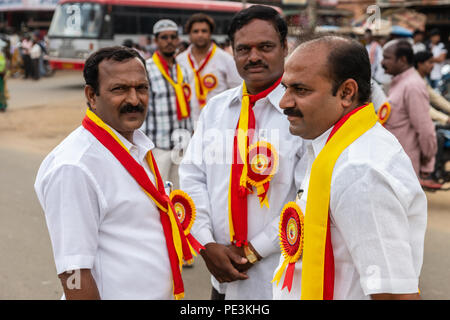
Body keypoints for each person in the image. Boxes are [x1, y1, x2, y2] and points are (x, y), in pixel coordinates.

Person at [273, 34, 426, 300]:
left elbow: (394, 295)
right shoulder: (340, 147)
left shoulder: (360, 171)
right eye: (285, 88)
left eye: (300, 90)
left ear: (346, 93)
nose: (284, 102)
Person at [34, 46, 194, 300]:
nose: (134, 99)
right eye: (119, 89)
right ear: (92, 96)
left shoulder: (136, 145)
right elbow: (73, 273)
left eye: (141, 88)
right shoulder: (75, 167)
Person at [179, 5, 304, 300]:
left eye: (265, 47)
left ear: (285, 48)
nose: (254, 57)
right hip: (220, 276)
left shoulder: (302, 113)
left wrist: (255, 249)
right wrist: (205, 244)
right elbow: (193, 176)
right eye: (243, 49)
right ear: (232, 52)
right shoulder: (216, 110)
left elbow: (305, 197)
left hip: (277, 279)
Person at [141, 19, 193, 189]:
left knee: (180, 196)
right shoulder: (146, 69)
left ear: (178, 40)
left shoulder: (183, 70)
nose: (169, 41)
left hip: (181, 145)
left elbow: (188, 104)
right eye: (164, 37)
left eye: (173, 37)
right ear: (156, 41)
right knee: (158, 194)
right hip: (158, 146)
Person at [381, 40, 439, 189]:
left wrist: (427, 163)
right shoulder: (400, 83)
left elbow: (426, 130)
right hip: (392, 164)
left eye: (387, 57)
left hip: (404, 169)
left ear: (403, 60)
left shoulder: (412, 85)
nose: (382, 62)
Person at [177, 13, 242, 123]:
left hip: (218, 122)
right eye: (196, 31)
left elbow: (238, 90)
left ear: (210, 33)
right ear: (189, 34)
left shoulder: (226, 59)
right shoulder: (179, 60)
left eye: (204, 31)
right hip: (188, 123)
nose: (200, 35)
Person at [414, 50, 450, 125]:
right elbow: (422, 107)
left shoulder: (421, 78)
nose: (433, 65)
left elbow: (435, 97)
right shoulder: (414, 82)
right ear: (420, 64)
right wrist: (446, 119)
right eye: (430, 62)